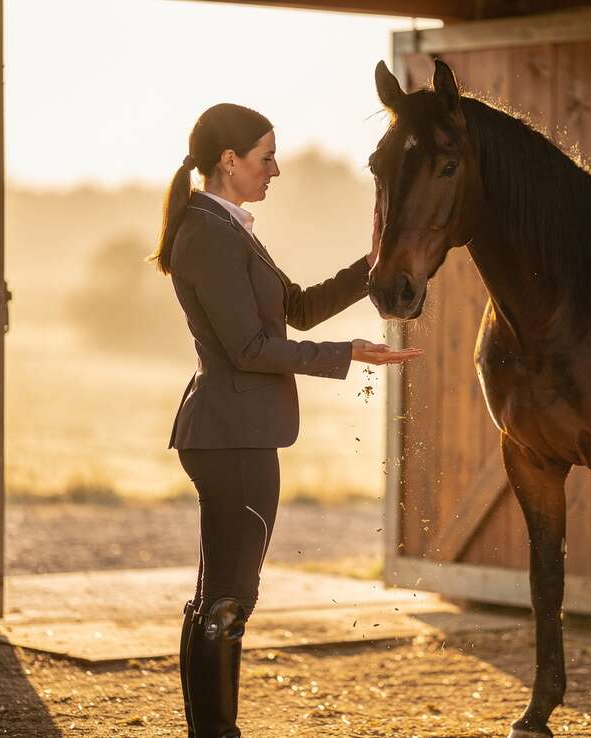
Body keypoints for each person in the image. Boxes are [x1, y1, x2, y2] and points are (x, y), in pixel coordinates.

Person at [151, 103, 422, 738]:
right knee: (227, 600)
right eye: (266, 157)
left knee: (217, 596)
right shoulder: (210, 234)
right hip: (233, 435)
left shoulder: (224, 226)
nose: (277, 169)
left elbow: (294, 310)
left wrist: (374, 265)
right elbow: (248, 348)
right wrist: (346, 354)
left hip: (234, 433)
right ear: (229, 160)